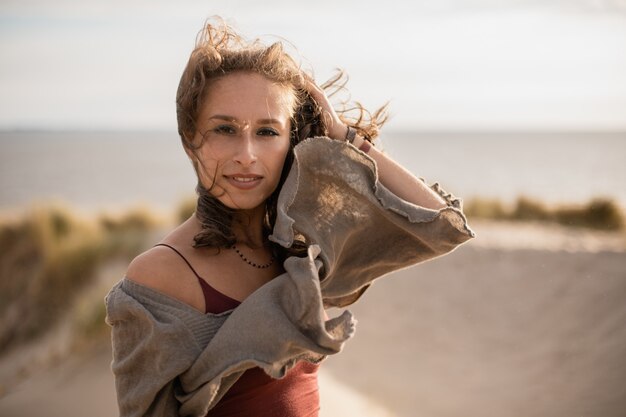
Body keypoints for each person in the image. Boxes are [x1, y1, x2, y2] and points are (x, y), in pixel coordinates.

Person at [105, 18, 474, 417]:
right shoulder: (161, 275)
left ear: (290, 141)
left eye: (267, 132)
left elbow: (442, 226)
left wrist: (342, 134)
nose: (246, 153)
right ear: (190, 141)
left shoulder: (301, 250)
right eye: (225, 129)